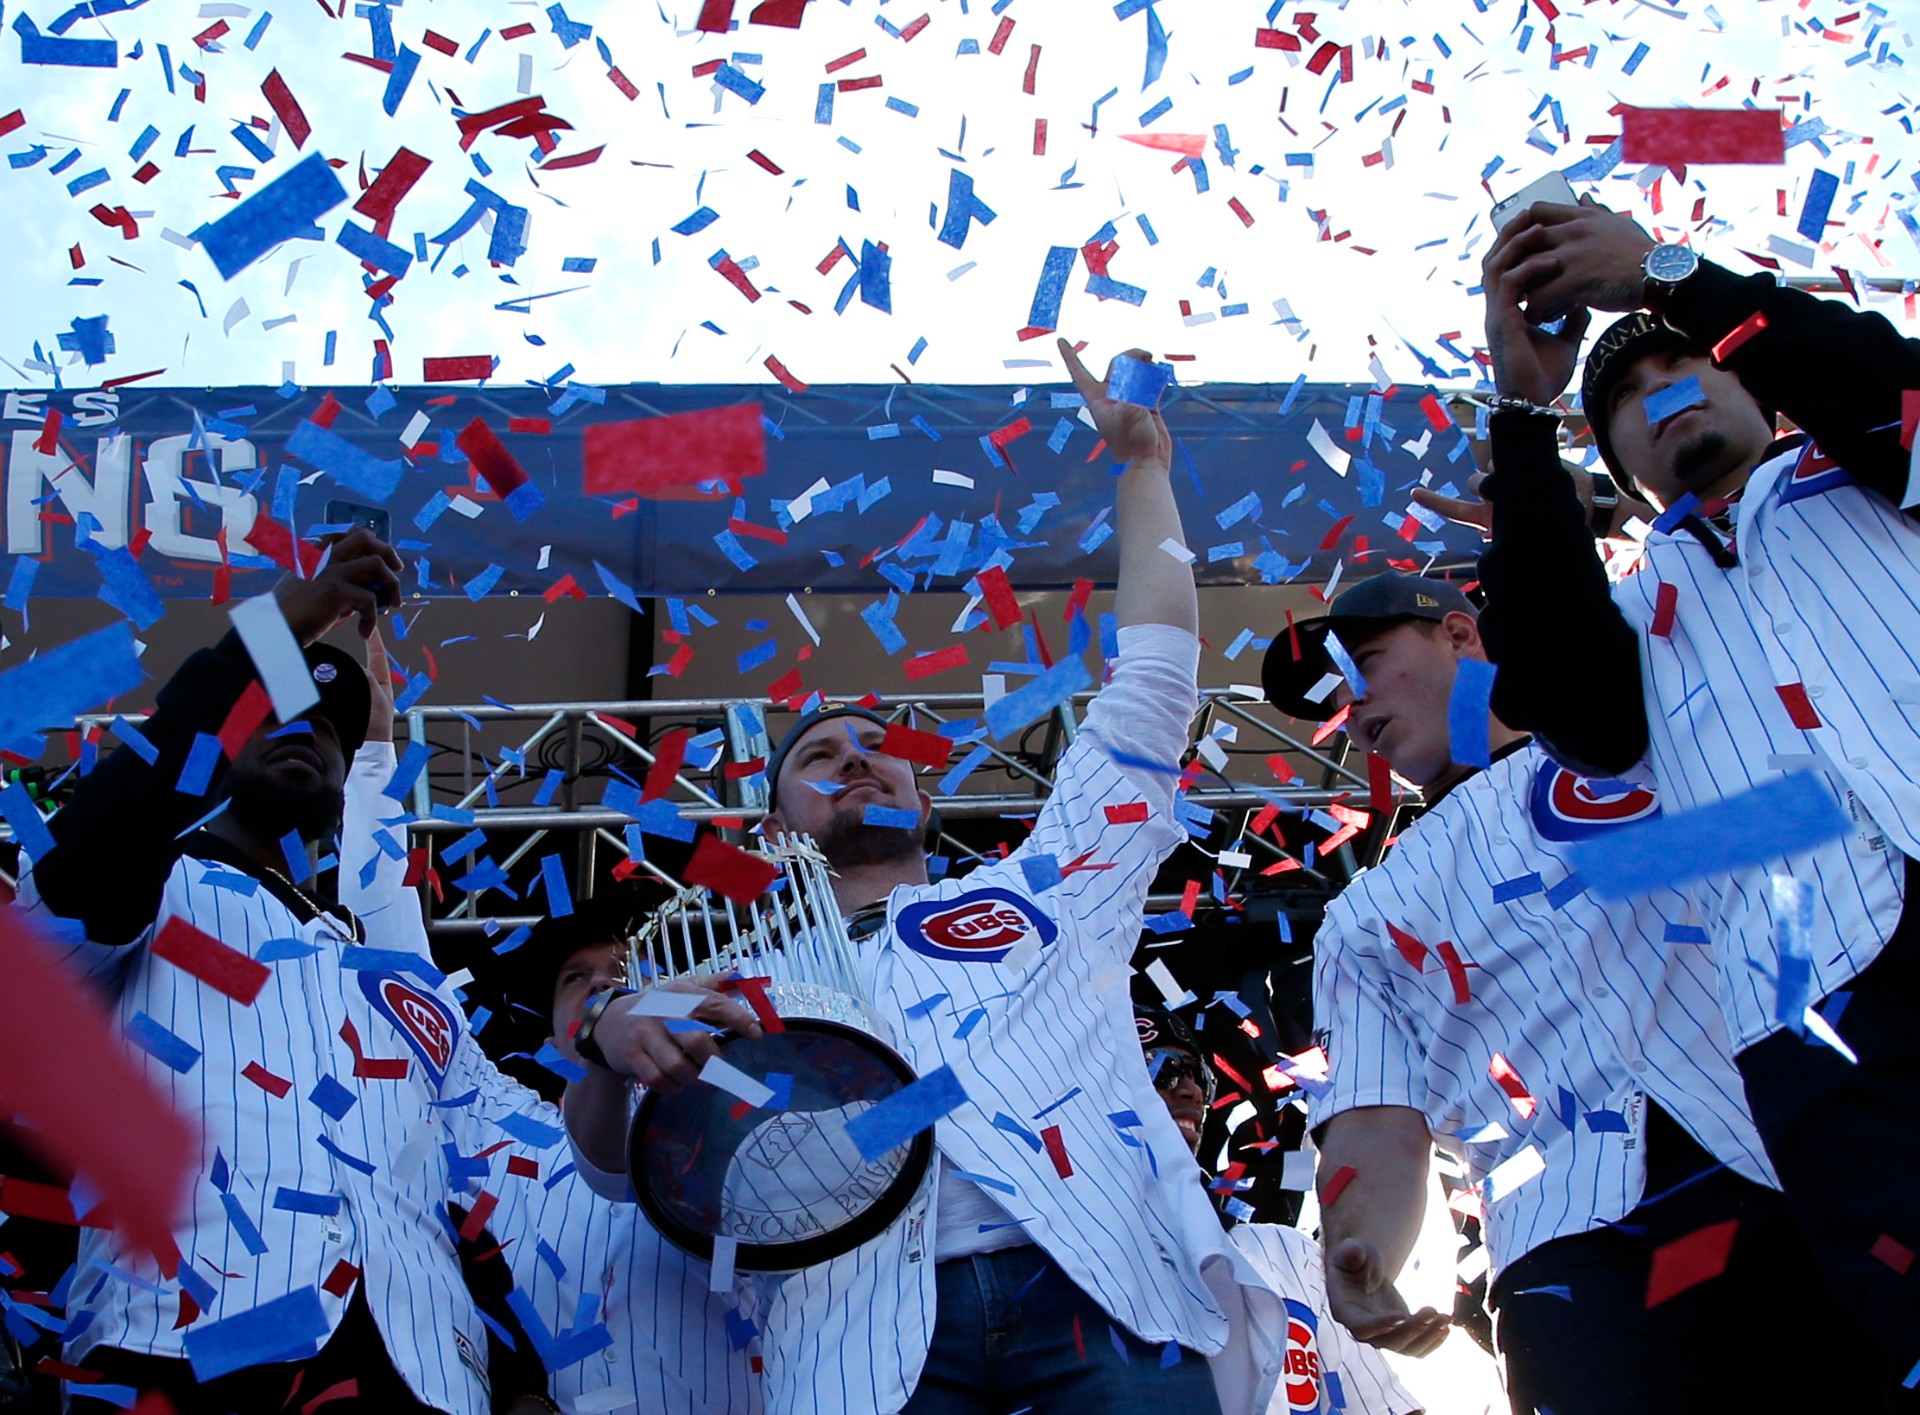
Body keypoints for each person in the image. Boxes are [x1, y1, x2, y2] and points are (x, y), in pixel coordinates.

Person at [560, 341, 1288, 1415]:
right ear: (775, 824)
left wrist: (1143, 471)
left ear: (925, 792)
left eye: (878, 745)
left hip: (1104, 1298)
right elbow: (614, 1167)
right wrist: (607, 1040)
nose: (857, 759)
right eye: (820, 755)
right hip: (856, 1344)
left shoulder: (1048, 890)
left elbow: (1153, 684)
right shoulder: (729, 971)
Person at [1458, 193, 1920, 1399]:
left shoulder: (1875, 475)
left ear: (1755, 385)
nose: (1660, 390)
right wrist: (1525, 413)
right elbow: (1566, 699)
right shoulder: (1629, 613)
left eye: (1681, 363)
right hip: (1820, 1018)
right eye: (1624, 394)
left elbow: (1887, 387)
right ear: (1617, 465)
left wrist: (1666, 275)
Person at [1259, 571, 1877, 1414]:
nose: (1353, 704)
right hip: (1568, 1244)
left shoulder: (1646, 748)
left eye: (1364, 662)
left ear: (1459, 635)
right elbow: (1374, 1111)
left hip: (1787, 1164)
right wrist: (1361, 1242)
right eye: (1337, 695)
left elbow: (1816, 836)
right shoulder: (1361, 916)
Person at [18, 530, 554, 1415]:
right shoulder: (149, 891)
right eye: (272, 709)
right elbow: (107, 839)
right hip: (183, 1353)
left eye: (327, 726)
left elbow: (476, 1175)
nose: (303, 725)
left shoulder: (388, 977)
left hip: (419, 1376)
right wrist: (268, 635)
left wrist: (522, 1381)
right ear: (221, 746)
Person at [481, 903, 762, 1415]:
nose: (603, 985)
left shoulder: (737, 1117)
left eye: (626, 969)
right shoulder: (498, 1148)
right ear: (551, 1043)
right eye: (576, 978)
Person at [1133, 1003, 1420, 1415]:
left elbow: (1382, 1407)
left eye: (1200, 1076)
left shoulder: (1288, 1255)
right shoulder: (1060, 1273)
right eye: (1163, 1069)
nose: (1191, 1091)